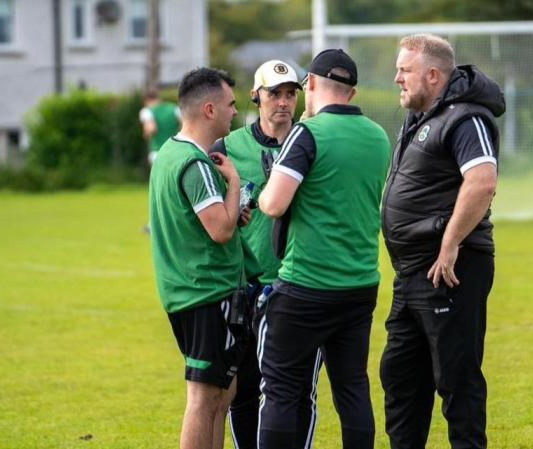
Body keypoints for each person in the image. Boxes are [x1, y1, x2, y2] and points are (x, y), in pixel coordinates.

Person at [256, 49, 391, 449]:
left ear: (310, 85)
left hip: (306, 284)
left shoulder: (308, 132)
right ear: (352, 91)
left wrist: (266, 188)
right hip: (360, 284)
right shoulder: (378, 134)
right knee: (352, 390)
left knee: (281, 389)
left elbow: (274, 204)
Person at [379, 34, 505, 449]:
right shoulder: (419, 117)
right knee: (400, 378)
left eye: (405, 70)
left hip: (450, 270)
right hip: (412, 273)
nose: (397, 78)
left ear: (433, 75)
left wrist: (450, 244)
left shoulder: (466, 118)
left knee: (457, 380)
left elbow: (483, 180)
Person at [210, 60, 321, 449]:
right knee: (245, 390)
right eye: (275, 93)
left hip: (298, 285)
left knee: (298, 389)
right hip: (246, 288)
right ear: (256, 96)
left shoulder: (311, 140)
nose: (284, 102)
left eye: (291, 94)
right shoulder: (228, 148)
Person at [149, 67, 244, 449]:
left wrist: (233, 207)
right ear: (209, 109)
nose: (235, 113)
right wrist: (234, 183)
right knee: (204, 399)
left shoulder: (168, 153)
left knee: (223, 394)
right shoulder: (196, 164)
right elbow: (221, 229)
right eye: (230, 105)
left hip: (187, 292)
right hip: (206, 293)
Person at [140, 89, 181, 166]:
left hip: (157, 152)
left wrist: (146, 133)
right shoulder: (174, 108)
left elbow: (152, 129)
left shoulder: (147, 111)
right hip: (175, 151)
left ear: (147, 100)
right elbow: (183, 124)